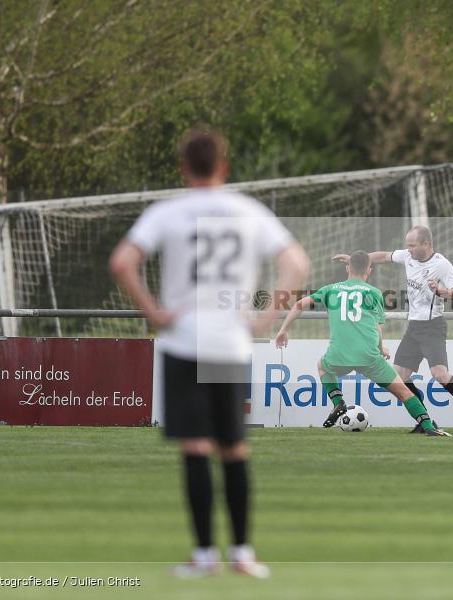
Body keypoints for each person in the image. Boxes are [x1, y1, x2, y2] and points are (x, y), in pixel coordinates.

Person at [109, 128, 309, 579]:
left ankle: (203, 556)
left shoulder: (168, 211)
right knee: (234, 448)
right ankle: (242, 552)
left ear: (183, 169)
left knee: (196, 446)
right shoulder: (248, 211)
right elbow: (296, 263)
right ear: (224, 167)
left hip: (184, 340)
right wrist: (264, 319)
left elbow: (122, 262)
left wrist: (154, 312)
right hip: (229, 341)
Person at [332, 226, 453, 435]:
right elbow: (383, 256)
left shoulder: (441, 265)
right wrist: (355, 259)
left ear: (426, 244)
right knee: (398, 376)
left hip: (433, 327)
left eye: (412, 245)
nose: (409, 249)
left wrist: (440, 291)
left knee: (440, 375)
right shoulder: (408, 256)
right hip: (413, 328)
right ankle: (425, 420)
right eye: (408, 245)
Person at [276, 251, 450, 436]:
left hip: (339, 355)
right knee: (404, 393)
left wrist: (283, 330)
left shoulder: (330, 289)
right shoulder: (374, 293)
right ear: (369, 270)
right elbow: (376, 326)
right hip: (369, 357)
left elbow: (298, 305)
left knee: (322, 366)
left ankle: (338, 403)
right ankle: (429, 427)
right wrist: (380, 348)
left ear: (347, 268)